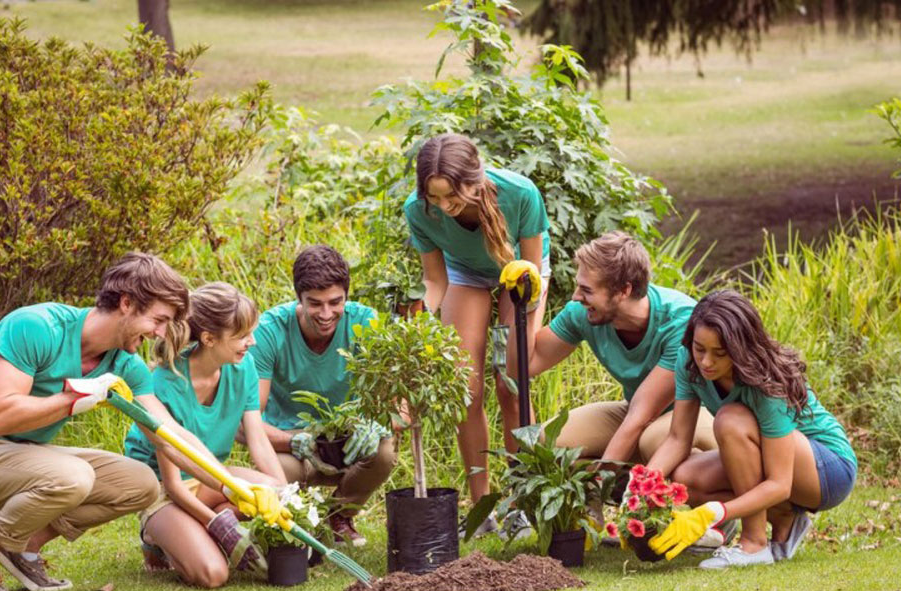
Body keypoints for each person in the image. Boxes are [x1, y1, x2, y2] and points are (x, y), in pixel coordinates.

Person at [0, 253, 280, 591]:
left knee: (140, 483)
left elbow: (168, 434)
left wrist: (232, 488)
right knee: (74, 476)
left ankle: (22, 544)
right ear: (126, 303)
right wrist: (74, 399)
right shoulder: (37, 327)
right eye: (158, 320)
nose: (161, 333)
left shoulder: (126, 364)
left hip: (21, 459)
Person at [647, 290, 856, 568]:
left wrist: (714, 513)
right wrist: (640, 488)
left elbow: (780, 484)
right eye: (700, 349)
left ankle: (754, 545)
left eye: (719, 353)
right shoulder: (688, 361)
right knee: (688, 477)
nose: (706, 362)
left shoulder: (765, 383)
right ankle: (783, 517)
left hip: (827, 468)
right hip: (780, 463)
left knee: (731, 420)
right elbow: (677, 439)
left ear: (739, 349)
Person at [406, 133, 551, 515]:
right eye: (433, 197)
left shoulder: (519, 194)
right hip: (464, 274)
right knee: (465, 390)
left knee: (511, 385)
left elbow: (530, 270)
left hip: (521, 275)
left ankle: (525, 499)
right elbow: (435, 281)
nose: (443, 206)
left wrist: (512, 328)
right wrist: (417, 319)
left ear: (475, 179)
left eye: (451, 195)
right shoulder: (418, 210)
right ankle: (482, 506)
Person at [124, 282, 289, 588]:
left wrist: (289, 499)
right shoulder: (165, 384)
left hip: (211, 478)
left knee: (275, 492)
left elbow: (258, 442)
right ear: (210, 338)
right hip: (162, 489)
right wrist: (217, 524)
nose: (252, 343)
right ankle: (154, 537)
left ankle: (192, 532)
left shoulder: (243, 367)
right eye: (242, 336)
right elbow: (173, 485)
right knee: (213, 575)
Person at [522, 231, 717, 463]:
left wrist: (601, 481)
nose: (575, 297)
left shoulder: (680, 321)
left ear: (624, 290)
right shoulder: (583, 312)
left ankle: (684, 484)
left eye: (586, 290)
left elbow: (642, 416)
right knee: (546, 442)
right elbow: (525, 365)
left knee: (652, 442)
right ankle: (627, 479)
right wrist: (526, 303)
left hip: (695, 415)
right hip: (634, 411)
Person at [249, 245, 396, 547]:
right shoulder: (269, 331)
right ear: (298, 299)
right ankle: (297, 520)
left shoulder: (366, 324)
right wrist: (293, 441)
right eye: (315, 304)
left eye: (335, 302)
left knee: (384, 451)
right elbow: (246, 420)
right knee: (276, 473)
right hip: (293, 444)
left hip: (348, 439)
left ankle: (339, 516)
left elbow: (399, 404)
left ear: (346, 296)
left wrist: (378, 425)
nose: (326, 314)